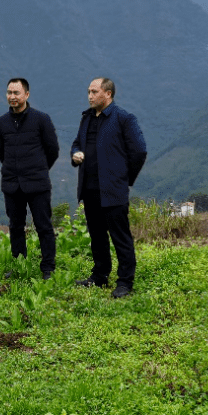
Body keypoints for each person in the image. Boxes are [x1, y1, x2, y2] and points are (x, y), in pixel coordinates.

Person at [70, 77, 147, 298]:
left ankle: (125, 282)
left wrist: (124, 178)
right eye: (88, 92)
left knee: (120, 236)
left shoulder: (123, 118)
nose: (90, 96)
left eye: (94, 92)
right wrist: (74, 154)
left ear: (108, 94)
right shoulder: (86, 118)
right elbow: (77, 142)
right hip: (90, 188)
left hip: (113, 189)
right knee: (97, 236)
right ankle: (100, 276)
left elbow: (139, 151)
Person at [0, 78, 60, 279]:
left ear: (27, 95)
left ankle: (48, 268)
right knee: (15, 227)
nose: (12, 97)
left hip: (37, 183)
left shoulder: (41, 119)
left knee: (44, 226)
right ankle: (19, 266)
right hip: (12, 184)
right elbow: (0, 152)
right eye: (9, 93)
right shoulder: (1, 123)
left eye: (16, 93)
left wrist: (39, 169)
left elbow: (53, 150)